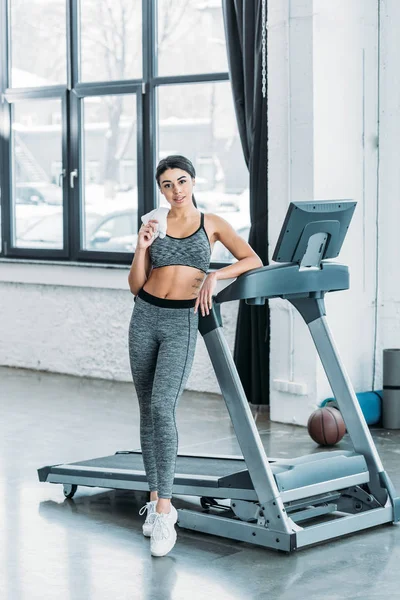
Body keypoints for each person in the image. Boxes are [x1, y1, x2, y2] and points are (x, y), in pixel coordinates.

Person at [128, 155, 262, 557]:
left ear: (193, 181)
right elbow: (136, 285)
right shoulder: (153, 223)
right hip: (144, 316)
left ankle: (167, 512)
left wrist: (215, 274)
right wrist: (141, 247)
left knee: (163, 407)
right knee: (147, 410)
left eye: (182, 181)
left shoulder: (213, 223)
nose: (176, 190)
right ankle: (154, 501)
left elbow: (252, 259)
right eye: (167, 185)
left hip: (180, 323)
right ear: (161, 190)